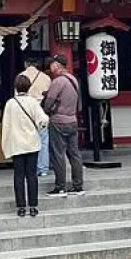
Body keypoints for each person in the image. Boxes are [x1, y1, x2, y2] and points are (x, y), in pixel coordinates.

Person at [1, 74, 49, 217]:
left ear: (16, 87)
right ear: (29, 87)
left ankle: (21, 207)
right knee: (32, 175)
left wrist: (5, 146)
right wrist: (41, 128)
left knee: (19, 176)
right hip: (32, 143)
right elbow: (43, 120)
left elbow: (6, 126)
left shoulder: (10, 103)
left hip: (16, 144)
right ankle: (33, 206)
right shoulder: (33, 102)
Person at [42, 54, 85, 197]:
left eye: (52, 64)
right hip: (72, 120)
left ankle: (60, 187)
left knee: (58, 154)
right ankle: (78, 185)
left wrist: (45, 111)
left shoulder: (58, 82)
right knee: (74, 153)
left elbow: (49, 103)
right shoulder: (73, 80)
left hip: (58, 121)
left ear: (57, 65)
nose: (50, 67)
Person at [18, 57, 52, 176]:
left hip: (25, 112)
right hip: (41, 111)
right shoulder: (46, 77)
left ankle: (30, 168)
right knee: (43, 140)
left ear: (25, 63)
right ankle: (43, 168)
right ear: (36, 64)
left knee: (27, 140)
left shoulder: (21, 76)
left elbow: (17, 97)